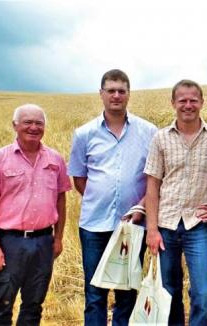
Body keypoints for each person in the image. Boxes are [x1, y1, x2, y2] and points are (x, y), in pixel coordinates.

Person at [68, 69, 158, 326]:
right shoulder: (85, 134)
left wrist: (140, 208)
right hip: (94, 225)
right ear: (101, 94)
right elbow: (80, 179)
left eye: (121, 91)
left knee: (127, 292)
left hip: (133, 227)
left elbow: (154, 179)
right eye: (111, 90)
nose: (116, 96)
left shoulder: (148, 132)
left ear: (129, 94)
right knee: (95, 292)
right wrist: (102, 199)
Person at [144, 79, 207, 326]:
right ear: (173, 103)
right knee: (169, 291)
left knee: (202, 293)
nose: (188, 105)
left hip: (198, 226)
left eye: (193, 100)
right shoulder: (161, 138)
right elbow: (152, 186)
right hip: (166, 225)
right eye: (182, 100)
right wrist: (152, 230)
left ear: (202, 102)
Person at [0, 104, 72, 325]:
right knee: (2, 306)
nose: (33, 127)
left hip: (42, 242)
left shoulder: (55, 159)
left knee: (33, 307)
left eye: (38, 123)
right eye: (27, 122)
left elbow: (61, 199)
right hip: (9, 242)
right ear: (15, 125)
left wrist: (57, 238)